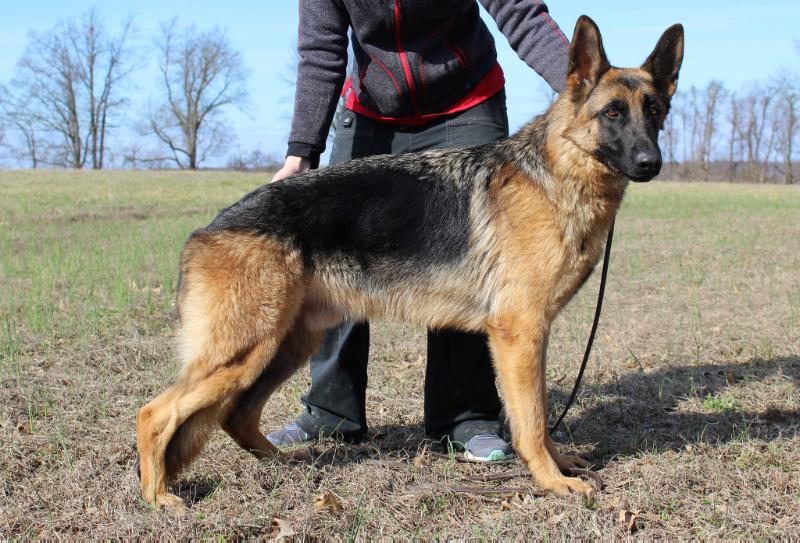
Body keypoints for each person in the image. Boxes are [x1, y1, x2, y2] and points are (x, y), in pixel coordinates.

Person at [267, 0, 570, 461]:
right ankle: (330, 412)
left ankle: (464, 417)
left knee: (472, 258)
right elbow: (322, 49)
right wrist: (302, 151)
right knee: (335, 249)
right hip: (371, 113)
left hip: (464, 104)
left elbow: (522, 14)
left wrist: (584, 87)